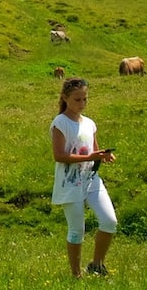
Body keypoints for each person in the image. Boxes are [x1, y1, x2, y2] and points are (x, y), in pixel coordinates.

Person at [51, 77, 117, 278]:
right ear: (65, 98)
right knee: (76, 230)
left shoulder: (89, 123)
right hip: (69, 183)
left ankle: (97, 264)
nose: (82, 103)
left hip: (91, 179)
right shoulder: (60, 123)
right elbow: (59, 155)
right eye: (77, 99)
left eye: (85, 99)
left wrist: (104, 156)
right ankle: (76, 275)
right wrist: (89, 156)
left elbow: (94, 150)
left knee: (109, 221)